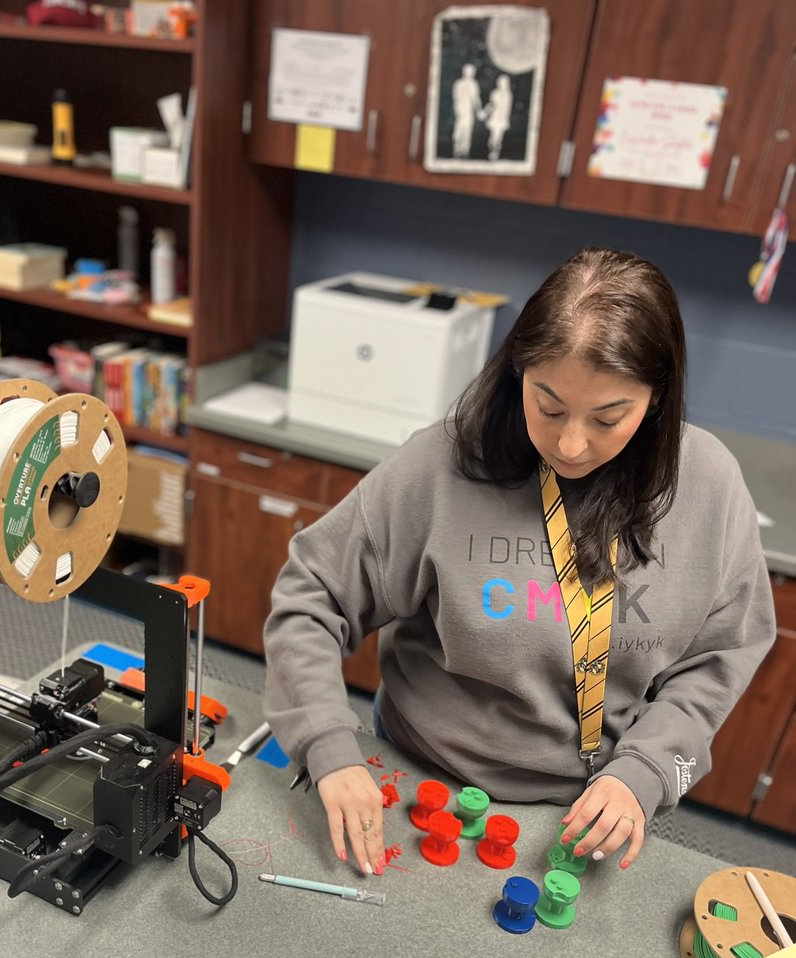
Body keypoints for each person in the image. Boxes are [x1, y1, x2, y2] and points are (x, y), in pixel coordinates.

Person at [263, 247, 776, 879]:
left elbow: (719, 657)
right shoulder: (442, 466)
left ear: (658, 398)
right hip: (422, 784)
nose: (570, 443)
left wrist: (649, 770)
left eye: (608, 418)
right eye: (549, 404)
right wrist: (326, 745)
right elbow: (311, 597)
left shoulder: (709, 486)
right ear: (517, 374)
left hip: (590, 810)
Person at [451, 64, 482, 158]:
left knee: (467, 130)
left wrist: (479, 110)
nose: (470, 74)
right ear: (464, 72)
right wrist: (457, 109)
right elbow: (455, 98)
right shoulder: (458, 84)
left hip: (469, 111)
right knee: (459, 129)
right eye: (468, 72)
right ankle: (456, 150)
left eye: (472, 72)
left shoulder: (474, 84)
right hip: (460, 110)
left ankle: (464, 151)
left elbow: (476, 99)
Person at [482, 74, 513, 161]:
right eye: (501, 82)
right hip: (494, 118)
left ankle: (495, 153)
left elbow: (507, 109)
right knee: (493, 136)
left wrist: (505, 119)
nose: (502, 84)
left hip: (501, 119)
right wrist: (486, 113)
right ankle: (492, 151)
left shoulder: (508, 94)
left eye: (504, 82)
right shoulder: (495, 93)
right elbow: (492, 105)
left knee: (498, 137)